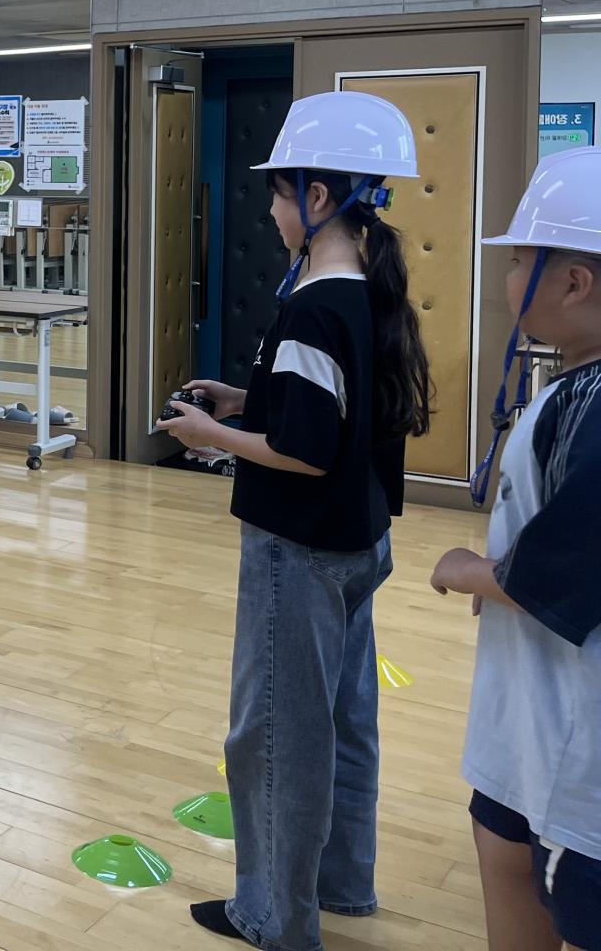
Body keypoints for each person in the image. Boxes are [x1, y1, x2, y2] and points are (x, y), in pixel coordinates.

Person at [159, 90, 432, 951]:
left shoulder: (314, 304)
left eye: (278, 196)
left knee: (274, 736)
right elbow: (335, 412)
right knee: (345, 723)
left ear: (317, 199)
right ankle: (344, 883)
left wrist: (211, 435)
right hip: (359, 539)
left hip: (300, 548)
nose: (271, 213)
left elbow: (307, 453)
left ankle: (275, 918)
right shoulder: (364, 291)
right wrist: (246, 399)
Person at [430, 146, 601, 951]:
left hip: (571, 741)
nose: (509, 277)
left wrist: (474, 571)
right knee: (504, 851)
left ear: (575, 283)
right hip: (527, 717)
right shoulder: (572, 387)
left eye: (521, 260)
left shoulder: (592, 403)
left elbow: (580, 558)